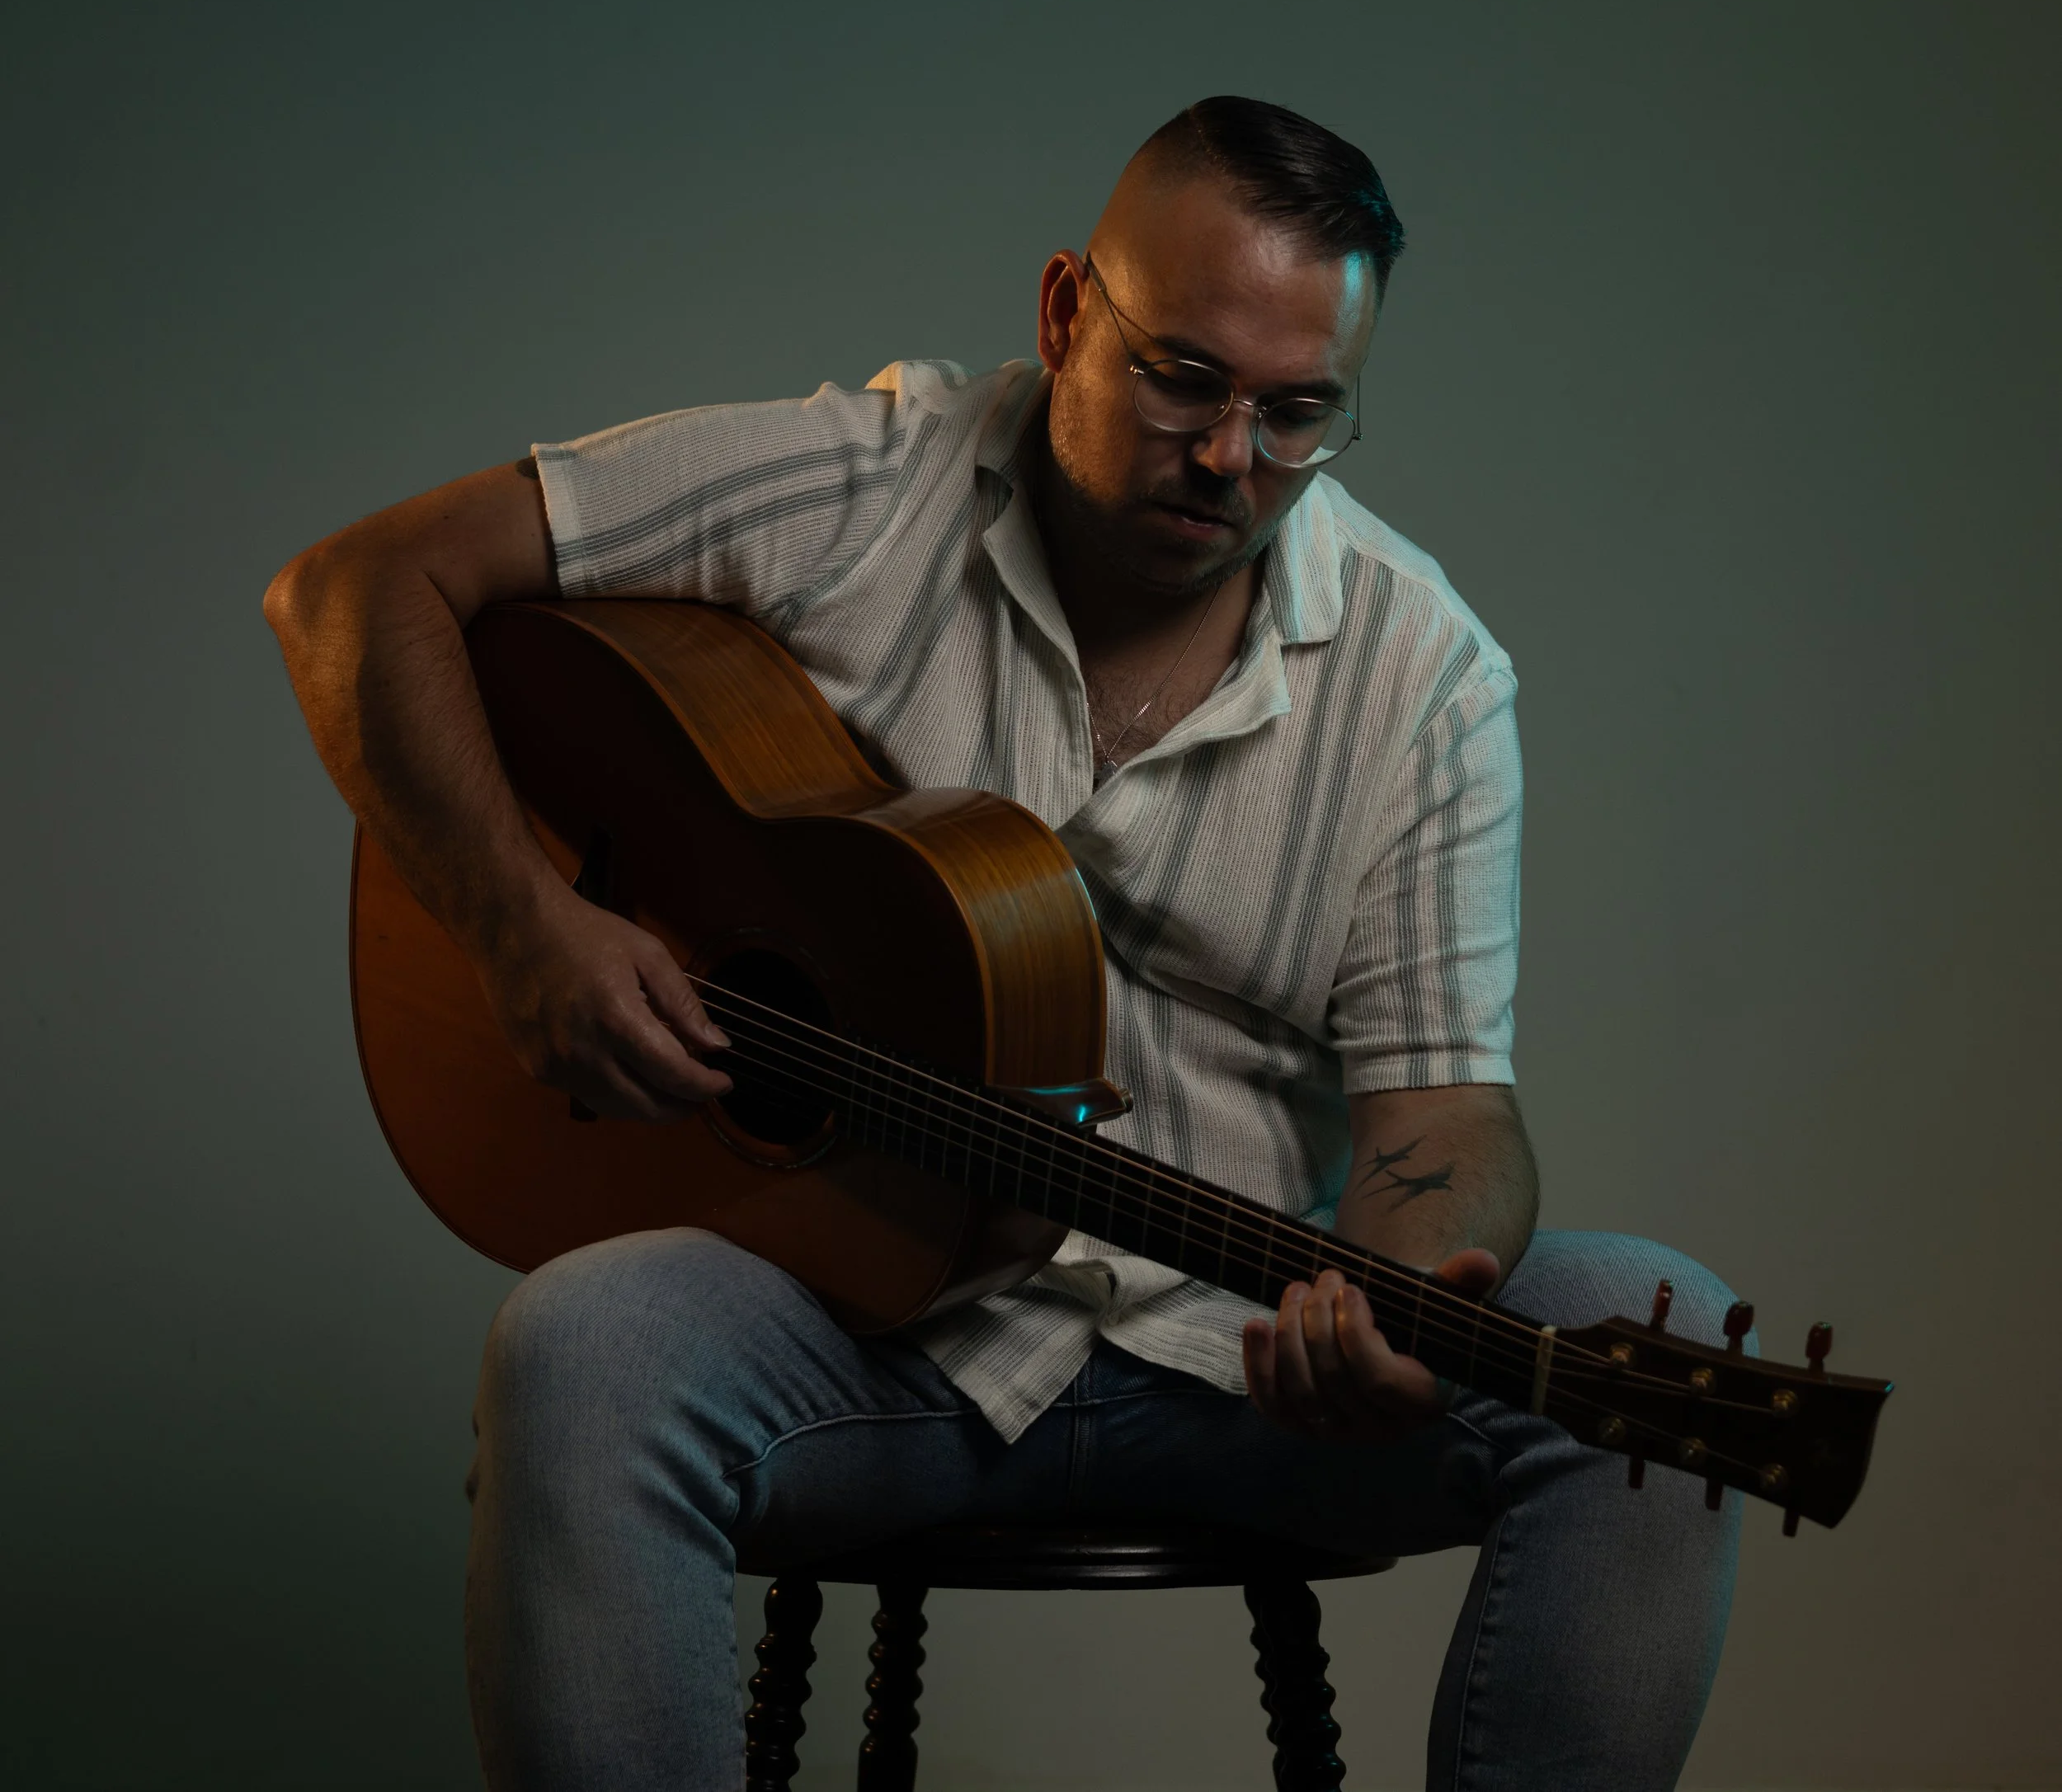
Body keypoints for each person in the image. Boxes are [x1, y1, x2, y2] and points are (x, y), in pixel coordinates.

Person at [265, 96, 1741, 1791]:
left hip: (1242, 1361)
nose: (1230, 456)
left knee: (1657, 1336)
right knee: (582, 1345)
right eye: (1182, 377)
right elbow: (353, 591)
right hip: (854, 1332)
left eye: (1297, 412)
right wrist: (522, 923)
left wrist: (1395, 1305)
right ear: (1061, 313)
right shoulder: (855, 484)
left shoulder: (1428, 677)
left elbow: (1447, 1111)